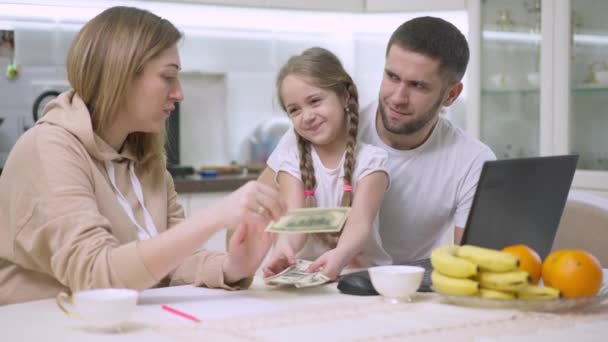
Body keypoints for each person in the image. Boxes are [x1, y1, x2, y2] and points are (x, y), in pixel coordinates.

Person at [0, 6, 285, 305]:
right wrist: (214, 218)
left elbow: (173, 260)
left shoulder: (144, 157)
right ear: (120, 75)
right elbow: (96, 277)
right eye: (168, 77)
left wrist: (232, 266)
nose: (179, 93)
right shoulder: (48, 150)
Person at [260, 16, 496, 265]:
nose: (398, 97)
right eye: (392, 77)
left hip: (408, 292)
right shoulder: (319, 130)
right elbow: (248, 223)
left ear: (451, 94)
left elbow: (473, 263)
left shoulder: (473, 161)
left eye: (417, 86)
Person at [262, 47, 391, 281]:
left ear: (344, 96)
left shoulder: (372, 162)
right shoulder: (290, 161)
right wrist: (283, 247)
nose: (307, 115)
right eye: (295, 110)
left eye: (315, 101)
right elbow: (295, 219)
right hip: (312, 278)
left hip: (365, 278)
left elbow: (359, 223)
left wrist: (340, 255)